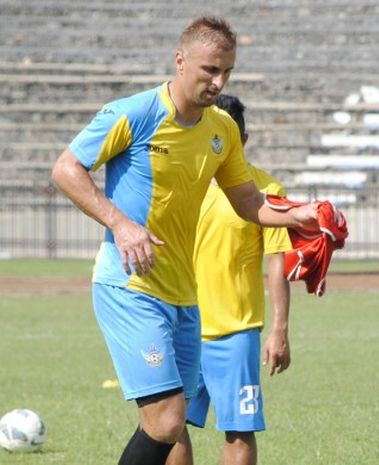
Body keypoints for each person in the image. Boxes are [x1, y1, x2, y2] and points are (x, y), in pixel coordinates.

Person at [50, 16, 318, 465]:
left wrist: (300, 215)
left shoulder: (222, 130)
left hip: (185, 296)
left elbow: (250, 201)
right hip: (131, 286)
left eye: (227, 72)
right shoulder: (134, 113)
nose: (219, 81)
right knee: (169, 420)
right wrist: (121, 224)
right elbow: (65, 169)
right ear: (180, 60)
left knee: (168, 425)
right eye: (210, 70)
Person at [168, 95, 293, 465]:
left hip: (235, 331)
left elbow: (277, 262)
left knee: (239, 429)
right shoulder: (183, 183)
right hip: (181, 324)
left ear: (243, 140)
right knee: (169, 425)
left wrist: (280, 330)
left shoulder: (267, 192)